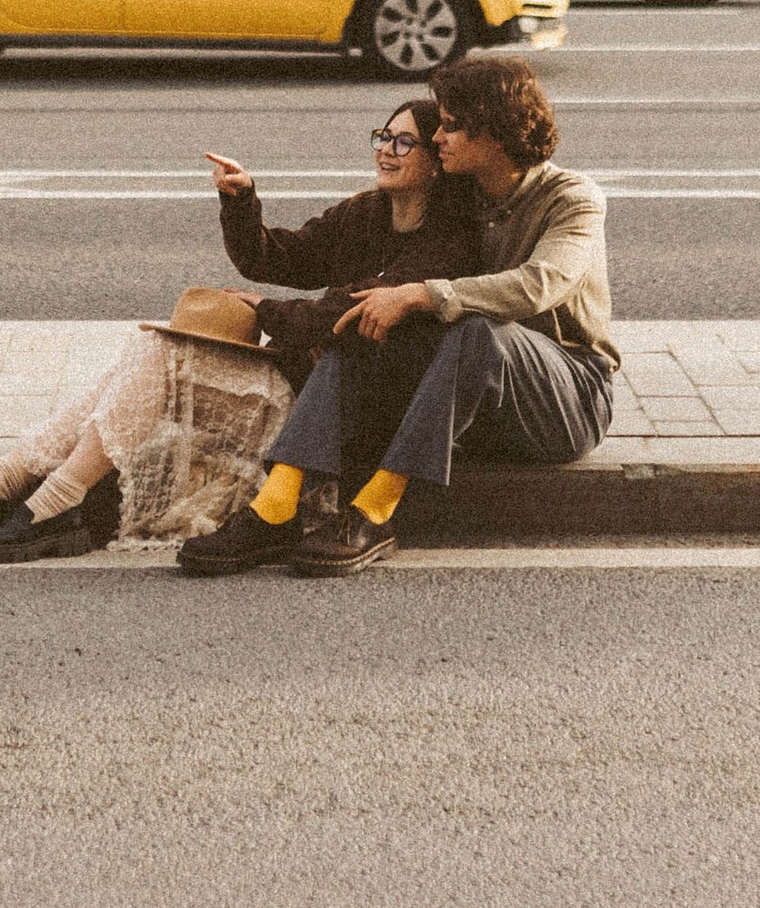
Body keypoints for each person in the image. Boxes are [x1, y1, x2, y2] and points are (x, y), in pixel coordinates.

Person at [0, 103, 480, 567]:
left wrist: (265, 310)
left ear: (436, 161)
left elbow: (345, 318)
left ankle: (45, 498)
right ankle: (16, 482)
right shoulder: (365, 214)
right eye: (382, 136)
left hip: (328, 420)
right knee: (154, 350)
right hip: (295, 380)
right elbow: (272, 257)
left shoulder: (448, 245)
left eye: (404, 142)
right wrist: (241, 201)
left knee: (161, 359)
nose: (385, 149)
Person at [180, 51, 615, 583]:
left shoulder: (573, 198)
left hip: (565, 397)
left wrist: (418, 295)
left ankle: (376, 511)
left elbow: (540, 284)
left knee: (475, 327)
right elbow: (300, 259)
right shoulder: (461, 196)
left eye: (452, 127)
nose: (437, 138)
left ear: (497, 135)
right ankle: (277, 504)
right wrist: (244, 204)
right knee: (371, 318)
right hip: (476, 401)